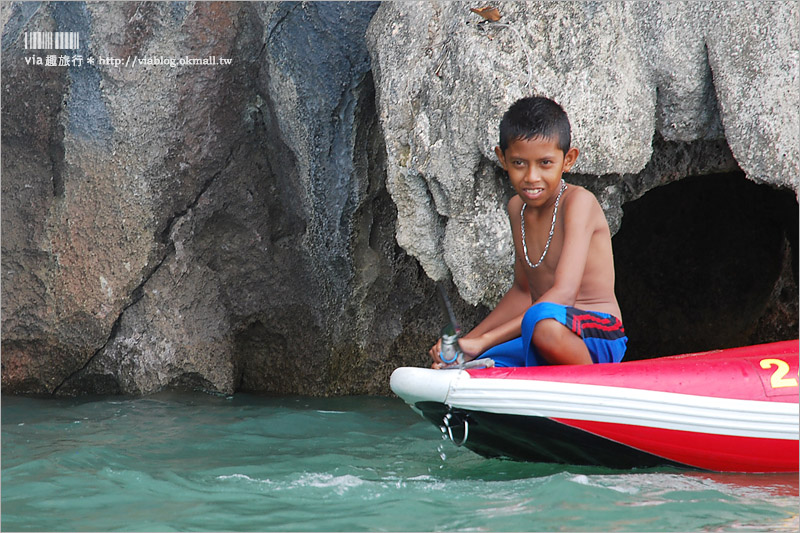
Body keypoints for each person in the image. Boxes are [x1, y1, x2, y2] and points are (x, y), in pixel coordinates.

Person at [429, 96, 627, 368]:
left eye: (545, 163)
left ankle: (597, 386)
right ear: (503, 159)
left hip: (596, 334)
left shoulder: (578, 203)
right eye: (520, 163)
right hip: (541, 330)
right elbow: (523, 293)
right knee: (482, 364)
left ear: (568, 160)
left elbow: (564, 295)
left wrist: (484, 340)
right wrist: (465, 347)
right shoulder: (516, 209)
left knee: (541, 321)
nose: (532, 177)